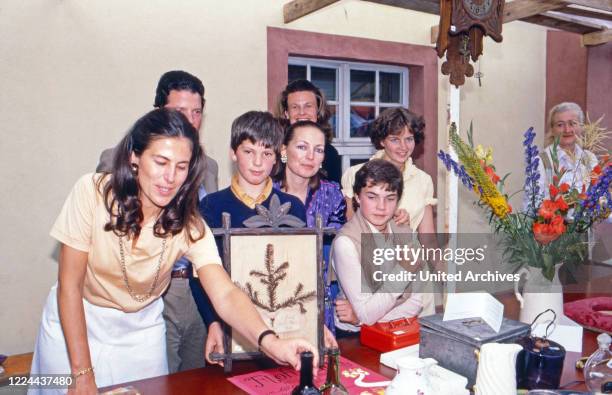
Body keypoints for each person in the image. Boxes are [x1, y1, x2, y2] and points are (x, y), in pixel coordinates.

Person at [29, 109, 317, 394]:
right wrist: (82, 374)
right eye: (160, 162)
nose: (169, 177)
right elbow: (69, 284)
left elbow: (225, 293)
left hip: (141, 329)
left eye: (181, 166)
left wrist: (271, 341)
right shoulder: (92, 193)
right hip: (77, 320)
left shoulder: (190, 223)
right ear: (135, 157)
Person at [97, 70, 219, 373]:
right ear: (158, 113)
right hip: (150, 293)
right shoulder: (116, 159)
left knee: (196, 381)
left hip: (198, 289)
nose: (190, 121)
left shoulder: (209, 167)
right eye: (180, 112)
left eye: (197, 113)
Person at [199, 111, 307, 365]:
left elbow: (302, 272)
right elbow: (201, 274)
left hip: (285, 323)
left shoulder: (294, 206)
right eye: (249, 152)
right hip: (229, 323)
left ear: (278, 156)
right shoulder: (212, 206)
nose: (258, 163)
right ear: (233, 153)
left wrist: (312, 320)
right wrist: (212, 322)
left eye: (267, 154)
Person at [332, 159, 434, 335]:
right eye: (372, 197)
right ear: (357, 197)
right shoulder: (346, 242)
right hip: (355, 339)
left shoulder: (403, 230)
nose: (381, 207)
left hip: (397, 331)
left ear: (398, 200)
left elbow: (416, 302)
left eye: (390, 198)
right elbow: (367, 313)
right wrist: (404, 270)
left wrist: (360, 318)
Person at [273, 120, 346, 346]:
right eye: (302, 147)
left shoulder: (332, 193)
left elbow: (340, 254)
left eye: (318, 150)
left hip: (321, 298)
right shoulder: (266, 193)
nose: (310, 156)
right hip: (275, 298)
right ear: (284, 150)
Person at [341, 107, 437, 236]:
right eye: (395, 139)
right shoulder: (355, 174)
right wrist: (389, 223)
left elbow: (428, 238)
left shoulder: (423, 180)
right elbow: (349, 228)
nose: (403, 146)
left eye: (409, 139)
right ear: (382, 141)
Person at [276, 79, 342, 183]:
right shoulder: (273, 150)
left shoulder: (330, 153)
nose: (302, 112)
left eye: (308, 106)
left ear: (318, 111)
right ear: (286, 113)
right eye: (295, 107)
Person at [537, 102, 597, 199]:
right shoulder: (542, 161)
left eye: (572, 123)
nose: (567, 130)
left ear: (581, 127)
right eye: (560, 125)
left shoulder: (589, 158)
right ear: (552, 130)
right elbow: (532, 204)